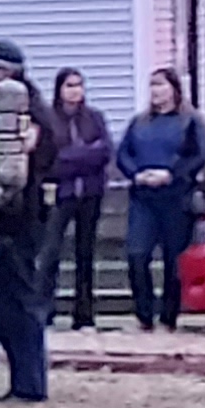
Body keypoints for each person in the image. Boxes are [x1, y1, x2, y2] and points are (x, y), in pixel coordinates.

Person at [0, 38, 61, 403]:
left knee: (16, 303)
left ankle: (27, 383)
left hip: (12, 219)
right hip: (13, 218)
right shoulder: (35, 114)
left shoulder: (22, 116)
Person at [115, 68, 205, 331]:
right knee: (137, 254)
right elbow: (123, 153)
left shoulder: (190, 121)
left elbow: (198, 155)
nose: (156, 91)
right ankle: (143, 314)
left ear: (174, 89)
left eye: (161, 85)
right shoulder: (140, 122)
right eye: (152, 85)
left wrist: (171, 173)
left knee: (173, 259)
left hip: (176, 197)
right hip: (144, 197)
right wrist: (137, 174)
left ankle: (169, 317)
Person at [48, 68, 115, 331]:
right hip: (61, 194)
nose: (75, 90)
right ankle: (46, 311)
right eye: (69, 85)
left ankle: (84, 314)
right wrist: (81, 156)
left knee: (85, 254)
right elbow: (52, 159)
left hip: (90, 193)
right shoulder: (50, 119)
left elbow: (104, 152)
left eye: (79, 85)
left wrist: (75, 156)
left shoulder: (94, 118)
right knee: (50, 252)